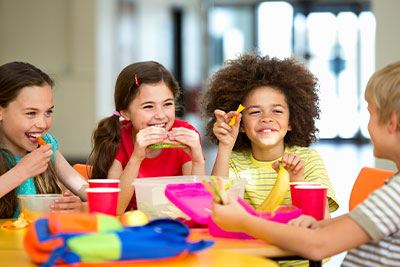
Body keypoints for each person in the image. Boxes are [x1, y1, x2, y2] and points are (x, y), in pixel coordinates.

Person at [210, 61, 400, 266]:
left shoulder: (395, 194)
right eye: (255, 112)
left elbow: (318, 245)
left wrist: (243, 221)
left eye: (370, 113)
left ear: (392, 123)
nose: (266, 118)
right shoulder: (393, 189)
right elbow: (328, 226)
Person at [201, 54, 339, 266]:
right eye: (255, 111)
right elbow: (215, 207)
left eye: (277, 110)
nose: (267, 118)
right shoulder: (234, 161)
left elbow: (322, 225)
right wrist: (226, 146)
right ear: (243, 125)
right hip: (249, 260)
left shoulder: (309, 160)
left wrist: (297, 179)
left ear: (292, 121)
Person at [88, 61, 205, 215]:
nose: (161, 115)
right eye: (148, 106)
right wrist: (136, 157)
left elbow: (197, 205)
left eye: (167, 104)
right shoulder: (118, 137)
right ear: (125, 113)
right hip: (131, 223)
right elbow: (115, 209)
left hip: (175, 221)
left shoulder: (185, 135)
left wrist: (197, 159)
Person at [0, 61, 89, 218]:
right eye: (31, 113)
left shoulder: (47, 147)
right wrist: (21, 171)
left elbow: (85, 190)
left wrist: (82, 206)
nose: (42, 124)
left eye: (48, 112)